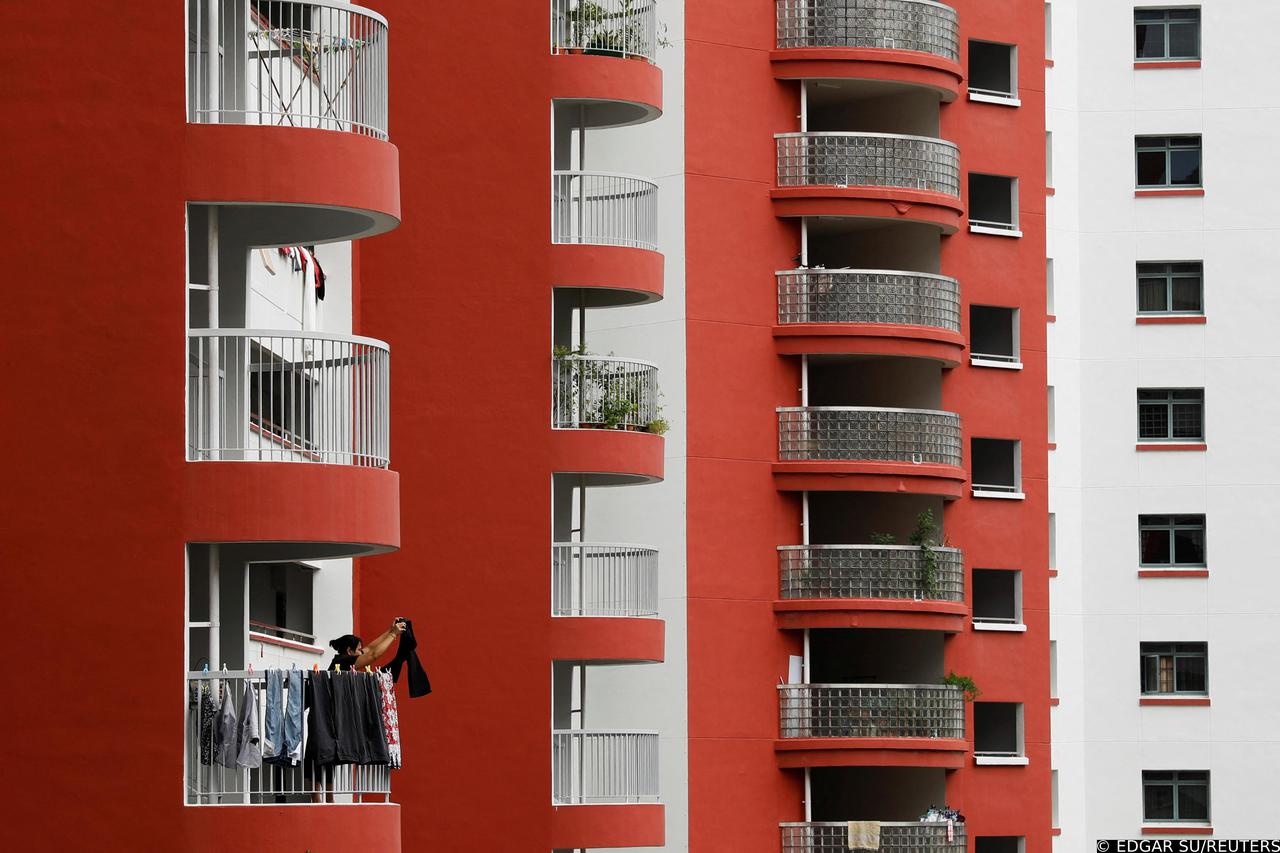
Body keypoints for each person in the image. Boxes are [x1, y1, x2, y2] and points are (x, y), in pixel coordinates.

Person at [327, 619, 406, 671]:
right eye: (359, 650)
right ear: (349, 651)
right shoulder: (343, 661)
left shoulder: (342, 658)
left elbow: (369, 648)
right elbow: (373, 655)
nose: (361, 652)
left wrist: (390, 630)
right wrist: (393, 634)